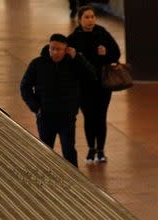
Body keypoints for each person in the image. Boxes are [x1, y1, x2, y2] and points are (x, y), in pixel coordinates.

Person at [20, 34, 95, 167]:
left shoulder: (73, 63)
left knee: (69, 150)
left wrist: (77, 58)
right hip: (45, 116)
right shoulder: (37, 64)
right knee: (45, 150)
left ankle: (74, 180)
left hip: (67, 116)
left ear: (66, 50)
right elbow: (24, 86)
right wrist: (36, 107)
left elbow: (91, 77)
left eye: (59, 49)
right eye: (52, 48)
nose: (55, 52)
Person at [68, 5, 121, 164]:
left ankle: (101, 150)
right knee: (89, 117)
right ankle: (91, 148)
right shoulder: (74, 38)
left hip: (102, 84)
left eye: (92, 17)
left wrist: (106, 55)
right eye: (86, 17)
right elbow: (69, 62)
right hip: (84, 85)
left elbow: (116, 54)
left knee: (100, 116)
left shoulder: (102, 33)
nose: (90, 20)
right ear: (79, 20)